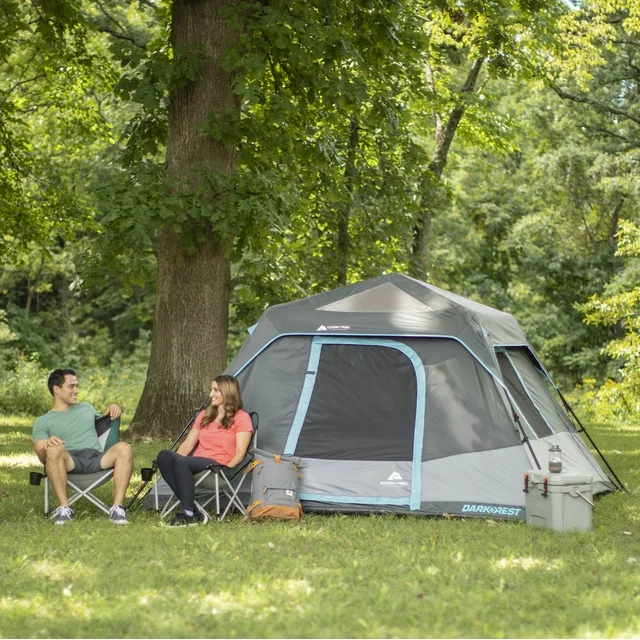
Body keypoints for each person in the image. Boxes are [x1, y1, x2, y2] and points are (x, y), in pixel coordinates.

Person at [32, 368, 133, 525]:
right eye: (71, 386)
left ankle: (117, 508)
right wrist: (48, 445)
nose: (76, 391)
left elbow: (105, 422)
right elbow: (41, 455)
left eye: (77, 386)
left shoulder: (86, 407)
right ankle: (65, 508)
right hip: (69, 461)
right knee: (54, 449)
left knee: (124, 448)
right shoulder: (43, 421)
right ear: (56, 390)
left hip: (96, 458)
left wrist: (113, 406)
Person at [157, 375, 254, 527]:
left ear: (227, 392)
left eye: (215, 390)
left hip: (217, 469)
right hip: (192, 465)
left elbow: (240, 453)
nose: (210, 394)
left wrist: (227, 471)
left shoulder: (242, 418)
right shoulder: (204, 415)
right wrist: (173, 463)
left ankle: (188, 514)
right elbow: (187, 445)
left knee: (183, 462)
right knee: (164, 455)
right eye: (211, 390)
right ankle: (195, 512)